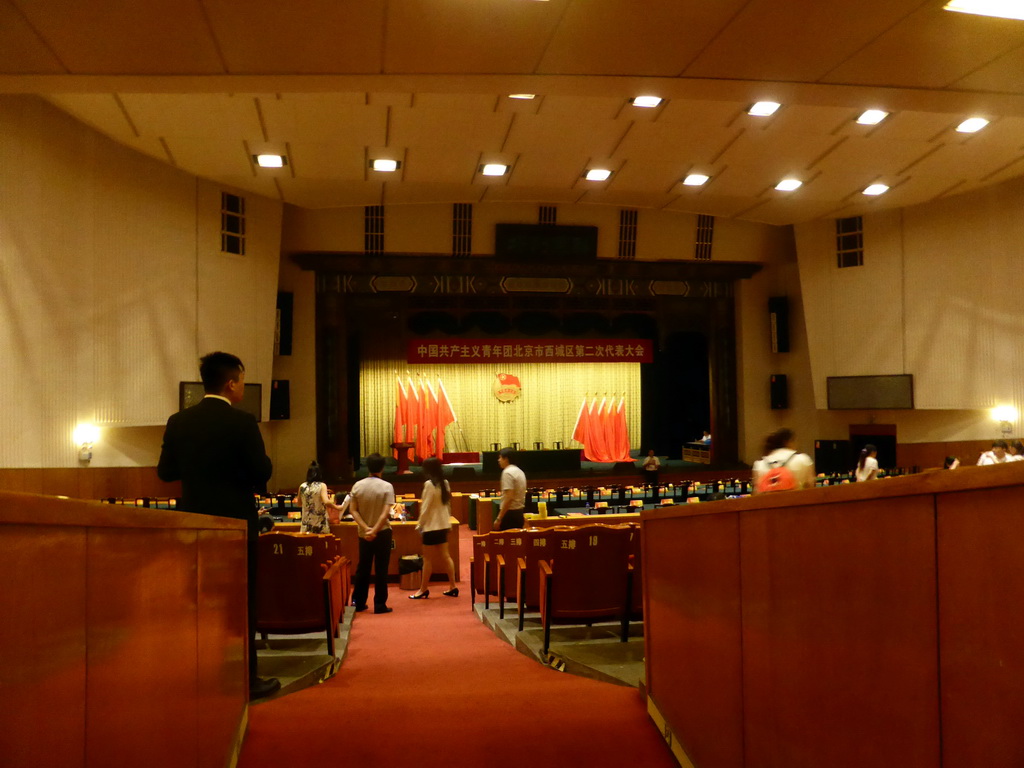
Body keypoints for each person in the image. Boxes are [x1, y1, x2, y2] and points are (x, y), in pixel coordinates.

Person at [157, 351, 279, 700]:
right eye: (241, 380)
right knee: (242, 604)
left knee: (201, 601)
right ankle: (247, 679)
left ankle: (202, 673)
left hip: (195, 526)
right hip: (237, 526)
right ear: (231, 383)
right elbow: (261, 472)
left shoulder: (178, 421)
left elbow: (166, 473)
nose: (242, 386)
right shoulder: (242, 422)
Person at [348, 453, 396, 614]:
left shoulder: (357, 486)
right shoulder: (387, 486)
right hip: (382, 532)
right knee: (382, 568)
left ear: (367, 467)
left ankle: (358, 602)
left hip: (363, 533)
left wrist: (366, 529)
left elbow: (353, 510)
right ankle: (380, 604)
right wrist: (375, 530)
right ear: (382, 467)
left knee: (363, 568)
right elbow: (385, 514)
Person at [409, 457, 458, 600]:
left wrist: (420, 524)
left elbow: (426, 507)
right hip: (443, 524)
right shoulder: (445, 483)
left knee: (427, 560)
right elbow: (448, 505)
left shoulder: (429, 485)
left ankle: (423, 589)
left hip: (431, 526)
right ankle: (453, 586)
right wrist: (448, 522)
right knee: (446, 556)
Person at [751, 428, 815, 492]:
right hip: (797, 500)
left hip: (769, 501)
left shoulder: (759, 465)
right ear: (788, 442)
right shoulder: (803, 460)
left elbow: (756, 493)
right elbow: (811, 487)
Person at [296, 460, 341, 534]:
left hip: (306, 525)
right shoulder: (322, 486)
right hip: (320, 524)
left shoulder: (302, 486)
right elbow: (326, 501)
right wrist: (337, 507)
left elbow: (299, 504)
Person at [496, 447, 527, 531]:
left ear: (506, 459)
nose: (498, 460)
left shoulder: (507, 473)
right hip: (519, 513)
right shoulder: (520, 471)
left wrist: (499, 518)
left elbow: (509, 497)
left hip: (509, 514)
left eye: (500, 458)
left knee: (507, 541)